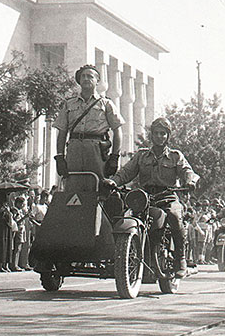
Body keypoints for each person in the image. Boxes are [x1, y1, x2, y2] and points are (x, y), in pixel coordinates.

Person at [105, 116, 199, 278]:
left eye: (163, 133)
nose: (160, 136)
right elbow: (126, 172)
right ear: (152, 135)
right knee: (125, 217)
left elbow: (187, 171)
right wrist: (113, 182)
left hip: (168, 196)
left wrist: (190, 181)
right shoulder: (142, 156)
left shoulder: (175, 156)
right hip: (145, 198)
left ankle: (180, 259)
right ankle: (122, 256)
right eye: (156, 133)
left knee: (175, 216)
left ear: (168, 136)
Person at [54, 64, 124, 191]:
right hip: (74, 150)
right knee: (72, 189)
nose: (86, 79)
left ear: (97, 81)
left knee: (98, 187)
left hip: (96, 150)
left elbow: (117, 130)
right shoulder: (68, 104)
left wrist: (114, 156)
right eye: (83, 76)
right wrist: (59, 157)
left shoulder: (106, 104)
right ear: (79, 80)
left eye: (90, 76)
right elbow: (62, 131)